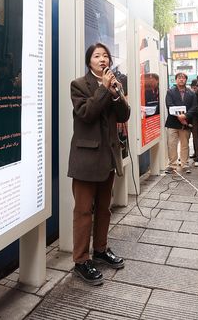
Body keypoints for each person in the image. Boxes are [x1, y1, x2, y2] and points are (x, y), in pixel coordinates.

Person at [68, 43, 130, 285]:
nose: (102, 59)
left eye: (105, 56)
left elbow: (124, 115)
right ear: (89, 61)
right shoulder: (79, 85)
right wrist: (104, 89)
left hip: (108, 157)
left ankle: (101, 250)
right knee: (84, 211)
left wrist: (115, 93)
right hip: (86, 158)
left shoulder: (115, 84)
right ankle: (81, 261)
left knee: (104, 209)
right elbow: (86, 113)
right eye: (97, 56)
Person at [164, 72, 195, 174]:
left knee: (185, 144)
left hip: (185, 122)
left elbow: (194, 107)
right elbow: (169, 105)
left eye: (183, 78)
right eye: (179, 78)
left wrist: (185, 116)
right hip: (173, 122)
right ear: (176, 80)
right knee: (172, 144)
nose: (181, 80)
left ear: (186, 80)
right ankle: (172, 165)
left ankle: (185, 164)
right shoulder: (170, 92)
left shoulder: (191, 93)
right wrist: (179, 117)